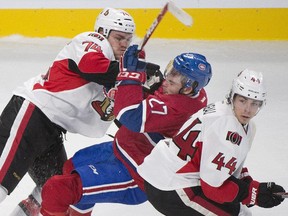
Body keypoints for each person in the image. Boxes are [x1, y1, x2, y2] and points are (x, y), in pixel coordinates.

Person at [39, 49, 213, 216]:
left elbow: (130, 116)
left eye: (172, 80)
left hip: (136, 173)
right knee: (71, 168)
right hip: (123, 149)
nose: (165, 80)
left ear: (188, 88)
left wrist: (130, 77)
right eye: (170, 71)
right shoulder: (189, 90)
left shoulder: (180, 107)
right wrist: (138, 69)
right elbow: (156, 92)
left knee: (58, 189)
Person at [0, 7, 137, 216]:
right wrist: (134, 74)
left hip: (52, 129)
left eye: (128, 39)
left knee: (54, 188)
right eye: (119, 37)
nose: (124, 44)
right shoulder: (91, 40)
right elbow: (91, 66)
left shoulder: (119, 69)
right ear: (103, 30)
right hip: (32, 114)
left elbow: (123, 111)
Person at [139, 69, 286, 216]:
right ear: (232, 97)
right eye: (242, 101)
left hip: (168, 176)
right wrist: (253, 193)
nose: (247, 109)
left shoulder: (229, 114)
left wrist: (250, 185)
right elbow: (212, 188)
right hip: (171, 186)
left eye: (255, 103)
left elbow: (223, 167)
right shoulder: (227, 127)